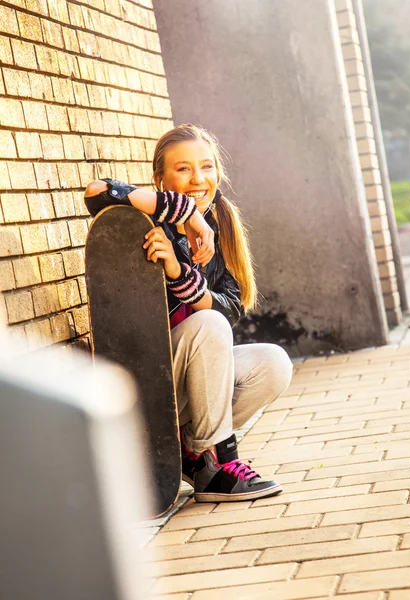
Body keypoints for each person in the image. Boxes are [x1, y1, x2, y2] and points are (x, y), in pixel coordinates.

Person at [84, 124, 293, 502]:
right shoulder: (143, 219)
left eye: (207, 167)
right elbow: (97, 192)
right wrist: (186, 215)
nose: (198, 178)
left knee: (273, 363)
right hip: (148, 377)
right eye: (183, 169)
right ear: (159, 178)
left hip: (186, 382)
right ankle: (221, 462)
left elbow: (230, 307)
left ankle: (195, 456)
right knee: (207, 325)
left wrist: (180, 273)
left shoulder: (222, 224)